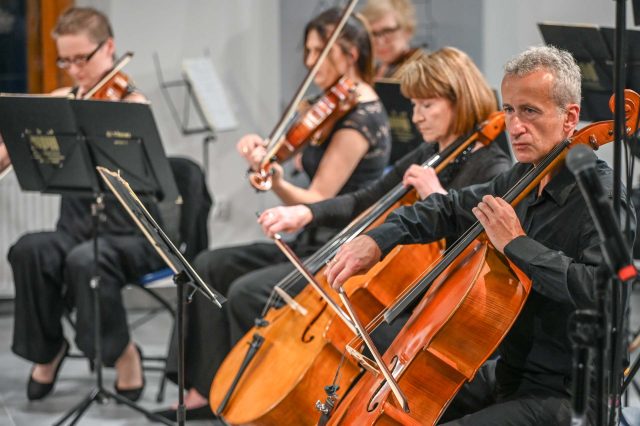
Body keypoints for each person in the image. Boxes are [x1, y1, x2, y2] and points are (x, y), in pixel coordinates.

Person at [324, 45, 636, 426]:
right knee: (397, 393)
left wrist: (517, 245)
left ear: (570, 117)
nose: (515, 126)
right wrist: (378, 239)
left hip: (568, 396)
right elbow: (447, 206)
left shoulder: (600, 195)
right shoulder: (521, 178)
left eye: (530, 111)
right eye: (509, 110)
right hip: (512, 372)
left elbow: (606, 292)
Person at [155, 8, 391, 421]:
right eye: (308, 50)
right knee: (208, 264)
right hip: (307, 237)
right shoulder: (331, 106)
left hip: (331, 244)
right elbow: (286, 166)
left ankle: (247, 396)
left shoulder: (361, 118)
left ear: (350, 54)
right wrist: (262, 158)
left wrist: (278, 180)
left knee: (246, 288)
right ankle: (201, 389)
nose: (308, 61)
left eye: (319, 51)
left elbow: (316, 199)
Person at [233, 47, 512, 345]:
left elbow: (481, 255)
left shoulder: (493, 166)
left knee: (257, 294)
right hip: (385, 279)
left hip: (427, 298)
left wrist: (436, 195)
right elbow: (363, 200)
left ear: (461, 101)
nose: (416, 117)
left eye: (427, 105)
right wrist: (305, 213)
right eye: (414, 105)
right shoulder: (432, 153)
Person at [7, 7, 158, 402]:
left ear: (109, 48)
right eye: (66, 60)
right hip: (74, 229)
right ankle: (48, 349)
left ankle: (122, 353)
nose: (74, 70)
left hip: (130, 234)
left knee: (85, 261)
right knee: (28, 250)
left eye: (82, 59)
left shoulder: (132, 104)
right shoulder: (63, 100)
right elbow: (14, 141)